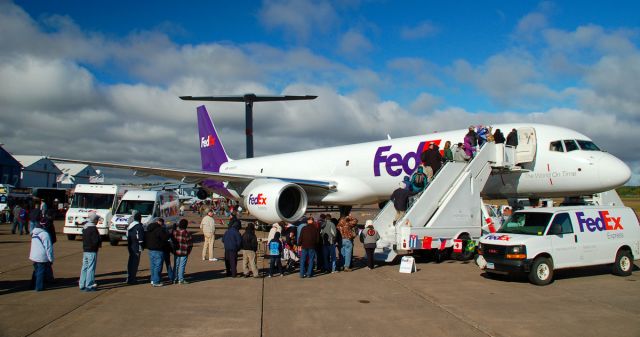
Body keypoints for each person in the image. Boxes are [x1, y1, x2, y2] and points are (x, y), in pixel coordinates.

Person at [79, 212, 101, 291]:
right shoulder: (93, 228)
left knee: (84, 267)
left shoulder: (85, 227)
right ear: (94, 220)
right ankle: (89, 285)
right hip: (92, 250)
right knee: (91, 268)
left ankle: (82, 283)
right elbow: (96, 240)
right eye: (97, 219)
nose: (98, 220)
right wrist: (98, 243)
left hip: (85, 249)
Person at [29, 221, 54, 291]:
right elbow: (48, 248)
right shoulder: (45, 234)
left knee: (36, 271)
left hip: (34, 255)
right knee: (41, 272)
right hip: (41, 256)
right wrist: (50, 259)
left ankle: (32, 285)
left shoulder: (34, 233)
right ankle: (39, 287)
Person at [146, 219, 169, 287]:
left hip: (150, 250)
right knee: (158, 266)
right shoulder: (159, 229)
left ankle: (153, 280)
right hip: (158, 250)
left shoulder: (149, 228)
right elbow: (165, 238)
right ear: (161, 223)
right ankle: (156, 281)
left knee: (153, 266)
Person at [126, 212, 145, 285]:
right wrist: (142, 246)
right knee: (134, 263)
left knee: (130, 262)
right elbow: (140, 239)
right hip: (136, 247)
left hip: (130, 246)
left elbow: (128, 236)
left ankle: (129, 277)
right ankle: (132, 279)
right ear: (140, 218)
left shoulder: (130, 226)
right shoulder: (139, 226)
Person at [172, 219, 193, 284]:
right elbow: (190, 244)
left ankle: (174, 278)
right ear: (186, 225)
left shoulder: (175, 232)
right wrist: (189, 251)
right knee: (182, 265)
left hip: (176, 251)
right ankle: (180, 279)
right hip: (184, 251)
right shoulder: (187, 233)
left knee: (176, 265)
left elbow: (172, 241)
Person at [158, 218, 174, 282]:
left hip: (161, 249)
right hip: (166, 249)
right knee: (168, 264)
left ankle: (159, 278)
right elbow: (169, 240)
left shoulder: (159, 230)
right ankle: (171, 277)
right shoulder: (166, 229)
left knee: (160, 264)